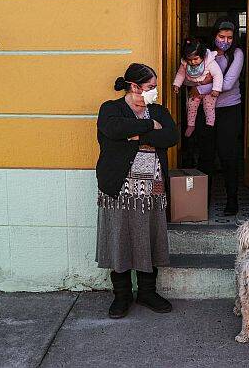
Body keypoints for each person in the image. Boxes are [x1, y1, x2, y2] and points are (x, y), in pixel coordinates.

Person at [96, 63, 179, 319]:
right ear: (134, 87)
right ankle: (121, 296)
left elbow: (170, 137)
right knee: (120, 238)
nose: (154, 92)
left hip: (151, 190)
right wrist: (147, 127)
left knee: (149, 238)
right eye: (150, 88)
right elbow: (112, 131)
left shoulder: (159, 111)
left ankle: (147, 292)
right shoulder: (111, 109)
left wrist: (136, 136)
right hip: (119, 187)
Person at [192, 18, 245, 216]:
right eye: (221, 36)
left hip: (229, 111)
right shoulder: (204, 54)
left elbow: (229, 83)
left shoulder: (237, 54)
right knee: (205, 156)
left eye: (230, 37)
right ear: (214, 36)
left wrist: (200, 89)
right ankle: (200, 202)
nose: (225, 41)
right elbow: (190, 75)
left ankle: (232, 201)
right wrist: (196, 86)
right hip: (206, 110)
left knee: (228, 155)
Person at [172, 40, 223, 138]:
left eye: (195, 59)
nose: (192, 62)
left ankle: (210, 123)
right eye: (189, 60)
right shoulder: (185, 64)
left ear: (203, 56)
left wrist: (216, 89)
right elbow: (180, 74)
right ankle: (191, 125)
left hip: (209, 91)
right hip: (195, 90)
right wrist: (177, 84)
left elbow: (218, 75)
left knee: (209, 106)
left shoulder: (209, 62)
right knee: (191, 106)